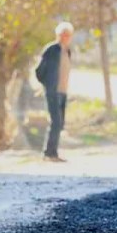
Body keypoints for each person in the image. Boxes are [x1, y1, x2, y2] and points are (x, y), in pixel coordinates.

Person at [34, 22, 73, 163]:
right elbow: (39, 71)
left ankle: (52, 152)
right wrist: (47, 84)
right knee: (55, 121)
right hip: (53, 91)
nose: (65, 37)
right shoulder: (51, 50)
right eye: (63, 34)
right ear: (58, 35)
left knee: (60, 123)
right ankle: (49, 154)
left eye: (68, 35)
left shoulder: (67, 50)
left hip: (63, 91)